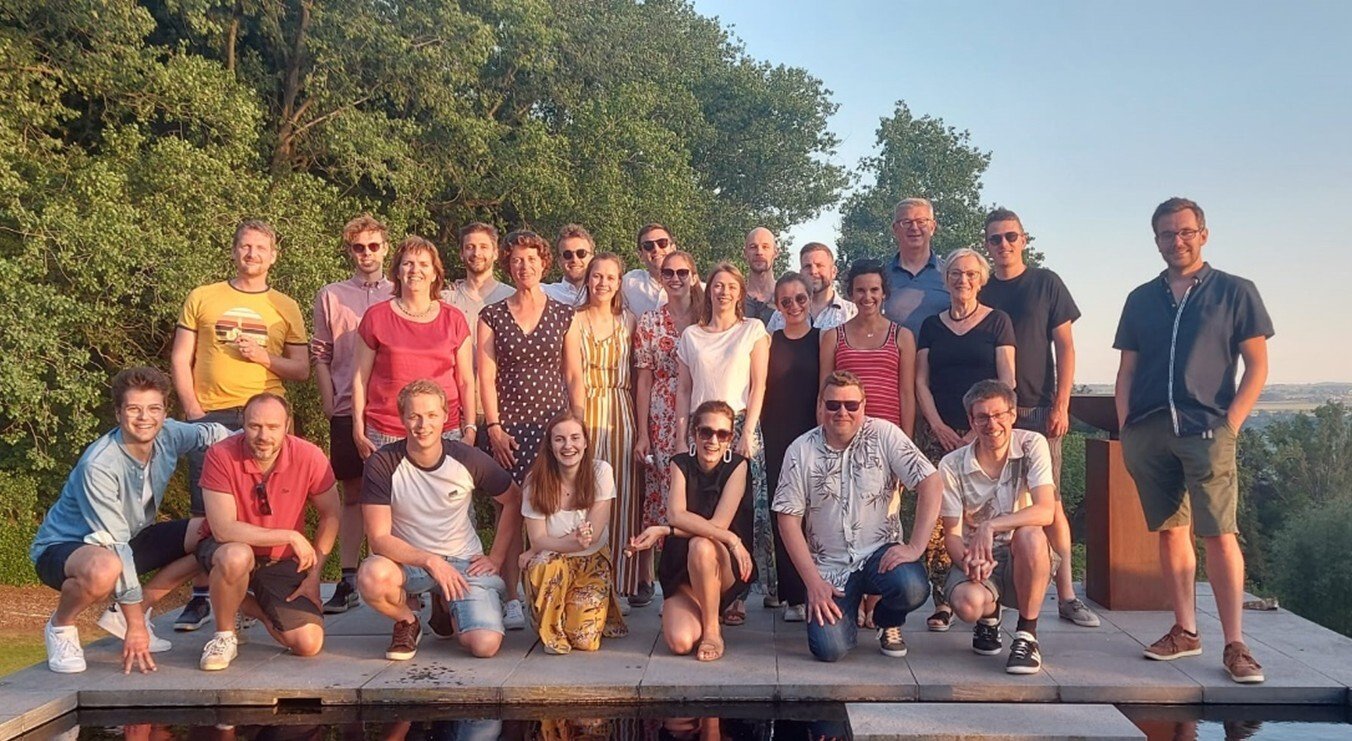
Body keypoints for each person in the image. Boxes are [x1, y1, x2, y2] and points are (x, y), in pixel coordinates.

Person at [1114, 197, 1272, 684]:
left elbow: (1257, 366)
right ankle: (1185, 630)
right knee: (1170, 530)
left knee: (1219, 533)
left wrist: (1232, 423)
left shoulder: (1235, 292)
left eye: (1185, 232)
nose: (1176, 241)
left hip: (1207, 427)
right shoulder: (1141, 298)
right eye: (1167, 233)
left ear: (1203, 234)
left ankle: (1235, 643)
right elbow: (1127, 370)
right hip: (1149, 429)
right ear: (1156, 240)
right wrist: (1126, 428)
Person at [31, 367, 231, 674]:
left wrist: (260, 440)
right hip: (67, 547)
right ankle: (61, 626)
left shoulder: (169, 434)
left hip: (129, 537)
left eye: (154, 408)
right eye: (134, 409)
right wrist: (136, 627)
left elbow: (213, 433)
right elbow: (116, 545)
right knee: (105, 568)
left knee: (214, 534)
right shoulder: (99, 465)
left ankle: (125, 615)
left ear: (165, 412)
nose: (144, 417)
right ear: (118, 413)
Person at [170, 219, 309, 632]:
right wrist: (193, 410)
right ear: (234, 251)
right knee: (205, 512)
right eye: (246, 246)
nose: (252, 254)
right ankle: (201, 596)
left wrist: (265, 358)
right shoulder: (203, 296)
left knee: (268, 506)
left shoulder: (285, 306)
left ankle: (259, 589)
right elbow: (180, 357)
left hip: (267, 419)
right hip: (211, 414)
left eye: (261, 248)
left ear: (273, 256)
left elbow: (301, 369)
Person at [979, 207, 1099, 629]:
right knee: (991, 504)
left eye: (1011, 236)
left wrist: (1062, 404)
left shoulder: (1046, 283)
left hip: (1037, 410)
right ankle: (991, 596)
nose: (1004, 244)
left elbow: (1065, 347)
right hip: (993, 416)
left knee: (1051, 505)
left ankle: (1066, 595)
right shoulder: (982, 288)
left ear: (1024, 239)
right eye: (995, 238)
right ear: (987, 245)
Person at [773, 372, 941, 662]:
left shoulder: (885, 434)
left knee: (912, 587)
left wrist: (915, 547)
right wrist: (813, 583)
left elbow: (931, 481)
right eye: (833, 405)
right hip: (830, 566)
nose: (842, 412)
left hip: (880, 554)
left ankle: (887, 619)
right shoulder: (800, 450)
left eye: (851, 405)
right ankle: (847, 618)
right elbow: (787, 520)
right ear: (820, 405)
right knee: (829, 650)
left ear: (864, 405)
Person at [356, 380, 523, 660]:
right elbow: (379, 538)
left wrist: (495, 557)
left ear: (446, 416)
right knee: (372, 576)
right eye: (414, 416)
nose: (423, 425)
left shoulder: (467, 458)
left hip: (463, 560)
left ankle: (446, 604)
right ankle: (407, 620)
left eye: (432, 415)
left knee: (484, 645)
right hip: (411, 562)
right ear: (402, 418)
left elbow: (513, 499)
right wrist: (431, 561)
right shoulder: (382, 463)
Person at [196, 393, 341, 671]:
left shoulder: (309, 456)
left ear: (287, 426)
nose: (263, 436)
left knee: (308, 644)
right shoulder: (220, 454)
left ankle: (244, 604)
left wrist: (314, 574)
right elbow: (223, 529)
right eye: (255, 426)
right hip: (227, 548)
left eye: (273, 427)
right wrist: (289, 535)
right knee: (237, 556)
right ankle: (224, 634)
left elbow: (331, 515)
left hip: (279, 560)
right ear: (243, 423)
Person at [915, 247, 1016, 631]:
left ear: (981, 280)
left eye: (971, 274)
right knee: (937, 517)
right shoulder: (931, 326)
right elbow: (920, 381)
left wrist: (978, 428)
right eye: (956, 273)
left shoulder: (998, 322)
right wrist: (937, 424)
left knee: (981, 511)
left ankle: (986, 586)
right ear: (946, 279)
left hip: (986, 431)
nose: (963, 280)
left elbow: (1007, 380)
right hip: (938, 433)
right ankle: (942, 599)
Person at [478, 230, 571, 627]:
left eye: (531, 259)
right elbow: (485, 376)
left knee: (553, 507)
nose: (524, 266)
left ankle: (551, 592)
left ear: (543, 263)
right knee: (511, 508)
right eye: (516, 260)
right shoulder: (492, 315)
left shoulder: (564, 314)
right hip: (510, 427)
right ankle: (513, 596)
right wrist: (494, 427)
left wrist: (576, 425)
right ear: (508, 265)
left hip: (552, 426)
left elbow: (573, 375)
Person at [675, 262, 772, 617]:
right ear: (709, 290)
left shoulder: (753, 330)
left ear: (740, 292)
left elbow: (759, 385)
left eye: (731, 286)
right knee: (700, 507)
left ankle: (737, 593)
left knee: (741, 511)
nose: (724, 292)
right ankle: (696, 585)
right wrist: (680, 438)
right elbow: (683, 390)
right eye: (718, 285)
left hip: (739, 426)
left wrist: (747, 434)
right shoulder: (691, 335)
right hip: (701, 430)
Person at [940, 380, 1056, 675]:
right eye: (982, 417)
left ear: (1013, 414)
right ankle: (989, 617)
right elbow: (952, 534)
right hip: (977, 554)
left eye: (998, 415)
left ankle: (1026, 635)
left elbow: (1046, 510)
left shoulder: (1031, 444)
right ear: (971, 421)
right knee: (967, 605)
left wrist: (990, 525)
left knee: (1031, 534)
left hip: (1021, 552)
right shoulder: (951, 465)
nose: (992, 424)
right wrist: (969, 562)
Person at [311, 215, 394, 614]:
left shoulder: (400, 292)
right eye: (359, 247)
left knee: (397, 497)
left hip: (391, 409)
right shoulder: (331, 295)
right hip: (346, 406)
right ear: (349, 251)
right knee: (353, 494)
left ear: (385, 248)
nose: (366, 253)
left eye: (373, 246)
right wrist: (329, 402)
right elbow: (320, 353)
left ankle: (393, 576)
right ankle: (347, 579)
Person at [627, 401, 755, 662]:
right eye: (706, 432)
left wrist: (665, 530)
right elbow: (676, 514)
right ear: (694, 433)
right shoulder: (680, 463)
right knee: (680, 642)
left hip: (721, 563)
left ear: (730, 438)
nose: (713, 441)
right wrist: (732, 538)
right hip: (683, 572)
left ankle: (712, 630)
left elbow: (718, 525)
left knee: (701, 544)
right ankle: (700, 608)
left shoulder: (738, 466)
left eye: (722, 434)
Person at [563, 252, 647, 605]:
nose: (603, 283)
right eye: (597, 276)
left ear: (619, 282)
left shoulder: (629, 320)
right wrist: (578, 423)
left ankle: (620, 584)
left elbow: (638, 376)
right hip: (587, 409)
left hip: (621, 410)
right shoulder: (573, 319)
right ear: (588, 279)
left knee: (624, 496)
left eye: (610, 277)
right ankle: (582, 581)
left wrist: (641, 428)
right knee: (585, 495)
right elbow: (573, 375)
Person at [351, 236, 474, 453]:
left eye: (424, 264)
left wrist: (470, 429)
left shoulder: (454, 319)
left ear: (435, 274)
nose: (415, 270)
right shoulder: (376, 317)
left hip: (444, 431)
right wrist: (358, 429)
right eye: (408, 263)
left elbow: (465, 380)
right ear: (398, 272)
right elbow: (360, 379)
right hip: (386, 431)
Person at [519, 412, 628, 654]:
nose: (568, 446)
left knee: (584, 641)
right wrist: (570, 542)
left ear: (586, 442)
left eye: (575, 438)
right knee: (544, 562)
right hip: (553, 563)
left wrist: (545, 545)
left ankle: (574, 612)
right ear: (550, 445)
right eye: (559, 439)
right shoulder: (534, 482)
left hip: (591, 561)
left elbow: (593, 536)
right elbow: (537, 539)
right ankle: (550, 630)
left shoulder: (601, 472)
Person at [633, 250, 702, 599]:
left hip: (702, 410)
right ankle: (665, 580)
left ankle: (700, 574)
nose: (676, 278)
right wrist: (643, 432)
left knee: (699, 493)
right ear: (660, 278)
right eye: (669, 273)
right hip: (662, 414)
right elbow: (643, 380)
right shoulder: (650, 321)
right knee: (664, 494)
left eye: (682, 272)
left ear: (694, 275)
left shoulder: (706, 315)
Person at [760, 273, 819, 623]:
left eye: (800, 298)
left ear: (810, 299)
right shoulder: (769, 342)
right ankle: (793, 595)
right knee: (783, 510)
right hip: (776, 433)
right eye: (786, 301)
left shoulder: (823, 339)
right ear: (777, 306)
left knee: (817, 513)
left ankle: (819, 588)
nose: (794, 306)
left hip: (813, 432)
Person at [820, 260, 916, 436]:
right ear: (851, 294)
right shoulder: (833, 337)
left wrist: (906, 441)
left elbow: (906, 393)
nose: (867, 297)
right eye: (860, 290)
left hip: (888, 435)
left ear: (884, 293)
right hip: (846, 434)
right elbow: (823, 393)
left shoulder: (902, 336)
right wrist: (824, 438)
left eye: (874, 290)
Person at [442, 221, 516, 429]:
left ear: (495, 253)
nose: (477, 253)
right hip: (455, 409)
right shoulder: (446, 300)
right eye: (470, 247)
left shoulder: (511, 298)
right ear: (461, 254)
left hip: (501, 409)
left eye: (484, 247)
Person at [882, 198, 950, 336]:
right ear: (895, 229)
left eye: (921, 221)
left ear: (932, 227)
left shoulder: (951, 274)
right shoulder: (880, 277)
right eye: (906, 222)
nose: (914, 228)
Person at [766, 242, 857, 331]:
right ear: (801, 273)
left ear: (833, 272)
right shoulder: (780, 316)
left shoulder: (851, 313)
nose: (813, 271)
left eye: (819, 265)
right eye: (807, 266)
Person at [621, 223, 678, 316]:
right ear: (640, 255)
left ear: (673, 249)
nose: (656, 249)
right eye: (648, 245)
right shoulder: (629, 283)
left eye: (662, 243)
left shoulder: (691, 285)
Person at [542, 224, 595, 307]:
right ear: (559, 261)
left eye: (581, 253)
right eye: (567, 254)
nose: (574, 259)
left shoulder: (605, 293)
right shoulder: (545, 293)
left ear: (592, 258)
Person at [742, 227, 778, 324]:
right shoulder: (736, 298)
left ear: (775, 252)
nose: (759, 252)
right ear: (745, 253)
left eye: (765, 247)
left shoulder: (786, 297)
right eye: (753, 247)